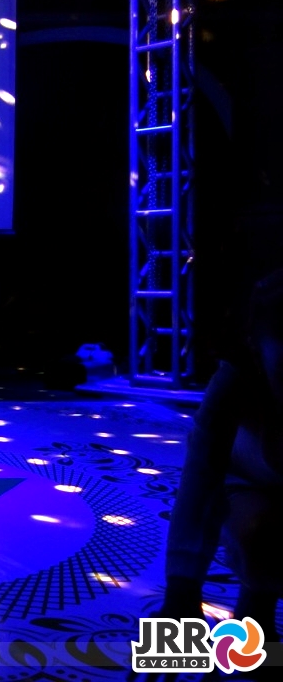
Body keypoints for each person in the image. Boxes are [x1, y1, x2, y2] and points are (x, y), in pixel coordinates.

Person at [157, 269, 283, 641]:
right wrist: (182, 589)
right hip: (249, 489)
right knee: (261, 537)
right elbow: (199, 480)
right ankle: (258, 605)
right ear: (256, 349)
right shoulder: (234, 382)